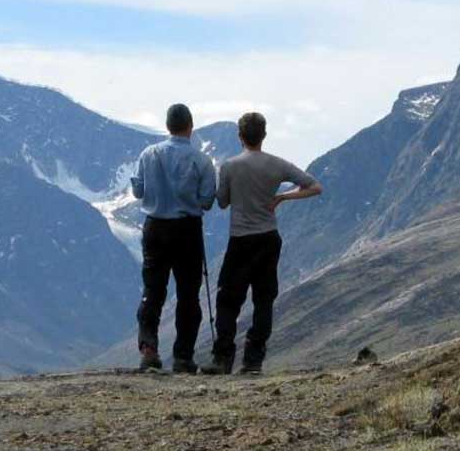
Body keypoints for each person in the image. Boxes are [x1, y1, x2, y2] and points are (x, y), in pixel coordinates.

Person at [210, 111, 323, 374]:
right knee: (263, 299)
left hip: (240, 239)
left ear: (240, 136)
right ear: (264, 135)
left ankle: (223, 358)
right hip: (268, 238)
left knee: (228, 300)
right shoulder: (278, 164)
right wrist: (283, 197)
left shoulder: (230, 166)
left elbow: (222, 202)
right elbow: (315, 187)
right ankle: (253, 360)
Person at [130, 103, 216, 373]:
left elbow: (138, 191)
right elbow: (207, 201)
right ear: (190, 127)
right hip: (187, 229)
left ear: (167, 126)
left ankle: (149, 350)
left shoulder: (148, 154)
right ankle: (183, 356)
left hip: (155, 227)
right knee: (188, 294)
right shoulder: (201, 160)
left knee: (153, 290)